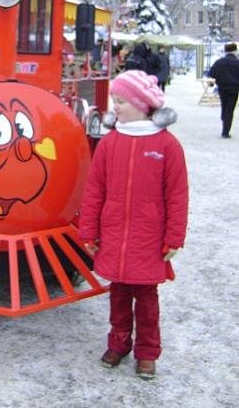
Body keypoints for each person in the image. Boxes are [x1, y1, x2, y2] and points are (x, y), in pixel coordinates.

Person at [78, 70, 188, 379]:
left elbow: (177, 195)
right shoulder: (110, 143)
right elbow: (94, 190)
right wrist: (88, 230)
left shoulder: (167, 145)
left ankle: (147, 352)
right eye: (115, 100)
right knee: (118, 296)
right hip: (114, 235)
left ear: (142, 104)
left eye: (121, 101)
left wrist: (174, 237)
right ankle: (118, 343)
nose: (115, 106)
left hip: (148, 239)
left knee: (147, 300)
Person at [208, 42, 239, 138]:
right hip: (234, 89)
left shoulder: (219, 62)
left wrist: (212, 83)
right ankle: (225, 131)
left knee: (224, 106)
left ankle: (224, 118)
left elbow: (211, 74)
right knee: (230, 109)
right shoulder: (237, 62)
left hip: (222, 88)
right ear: (235, 51)